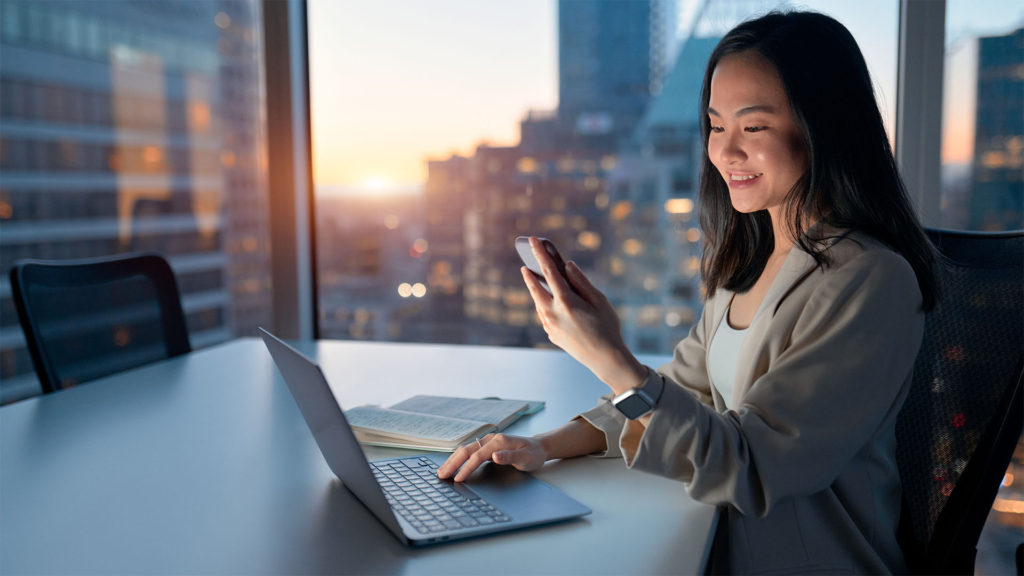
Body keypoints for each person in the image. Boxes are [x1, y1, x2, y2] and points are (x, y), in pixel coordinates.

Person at [438, 10, 938, 574]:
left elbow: (752, 468)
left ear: (826, 126)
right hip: (722, 544)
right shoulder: (750, 264)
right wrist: (545, 446)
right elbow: (684, 393)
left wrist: (610, 358)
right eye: (715, 125)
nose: (724, 151)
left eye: (753, 127)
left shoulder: (870, 281)